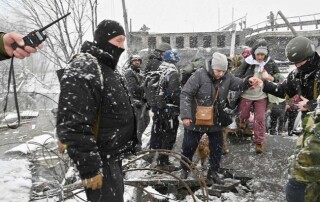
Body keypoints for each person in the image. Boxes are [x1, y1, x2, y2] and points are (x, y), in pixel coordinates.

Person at [56, 20, 137, 202]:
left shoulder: (108, 68)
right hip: (99, 159)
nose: (121, 46)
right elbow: (73, 123)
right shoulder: (86, 66)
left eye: (123, 41)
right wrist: (90, 167)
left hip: (112, 157)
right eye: (118, 40)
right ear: (103, 40)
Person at [179, 52, 260, 183]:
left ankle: (213, 172)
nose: (220, 74)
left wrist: (248, 81)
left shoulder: (227, 76)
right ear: (212, 67)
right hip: (196, 118)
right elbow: (186, 94)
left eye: (223, 71)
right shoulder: (199, 75)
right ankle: (184, 168)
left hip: (215, 118)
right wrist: (186, 116)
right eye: (218, 71)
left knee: (217, 147)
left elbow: (238, 84)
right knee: (188, 146)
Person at [257, 36, 320, 202]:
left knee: (299, 176)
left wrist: (313, 105)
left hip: (317, 128)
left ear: (310, 56)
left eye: (300, 62)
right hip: (309, 126)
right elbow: (283, 90)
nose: (297, 66)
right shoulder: (297, 74)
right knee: (308, 180)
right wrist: (263, 84)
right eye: (295, 63)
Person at [235, 38, 280, 153]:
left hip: (262, 95)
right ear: (254, 53)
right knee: (243, 113)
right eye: (258, 54)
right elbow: (237, 75)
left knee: (260, 119)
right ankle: (243, 119)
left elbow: (278, 76)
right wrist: (248, 80)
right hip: (247, 94)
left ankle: (259, 142)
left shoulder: (270, 62)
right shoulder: (247, 61)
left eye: (262, 55)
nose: (260, 57)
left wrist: (271, 77)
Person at [148, 50, 181, 171]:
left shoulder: (158, 70)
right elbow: (175, 93)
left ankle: (155, 155)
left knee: (158, 132)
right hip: (169, 109)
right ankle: (163, 162)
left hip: (158, 108)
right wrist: (180, 105)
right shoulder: (172, 72)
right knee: (169, 135)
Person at [124, 54, 150, 151]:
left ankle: (136, 143)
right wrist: (145, 84)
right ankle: (136, 147)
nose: (137, 62)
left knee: (146, 121)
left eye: (139, 60)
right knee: (139, 125)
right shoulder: (129, 73)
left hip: (142, 102)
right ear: (131, 62)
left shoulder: (140, 73)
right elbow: (133, 89)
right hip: (135, 102)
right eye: (135, 60)